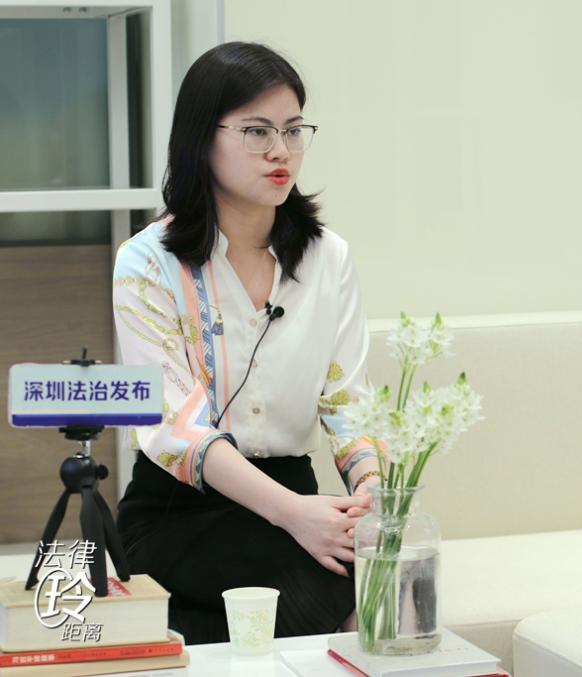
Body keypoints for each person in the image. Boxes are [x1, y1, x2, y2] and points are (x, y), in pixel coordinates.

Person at [112, 42, 383, 644]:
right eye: (257, 131)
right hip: (180, 514)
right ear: (200, 139)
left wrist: (371, 495)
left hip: (299, 505)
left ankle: (187, 632)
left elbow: (348, 405)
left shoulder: (328, 258)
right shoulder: (146, 263)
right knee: (332, 584)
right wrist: (295, 516)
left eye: (293, 130)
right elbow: (174, 428)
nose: (281, 150)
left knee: (374, 569)